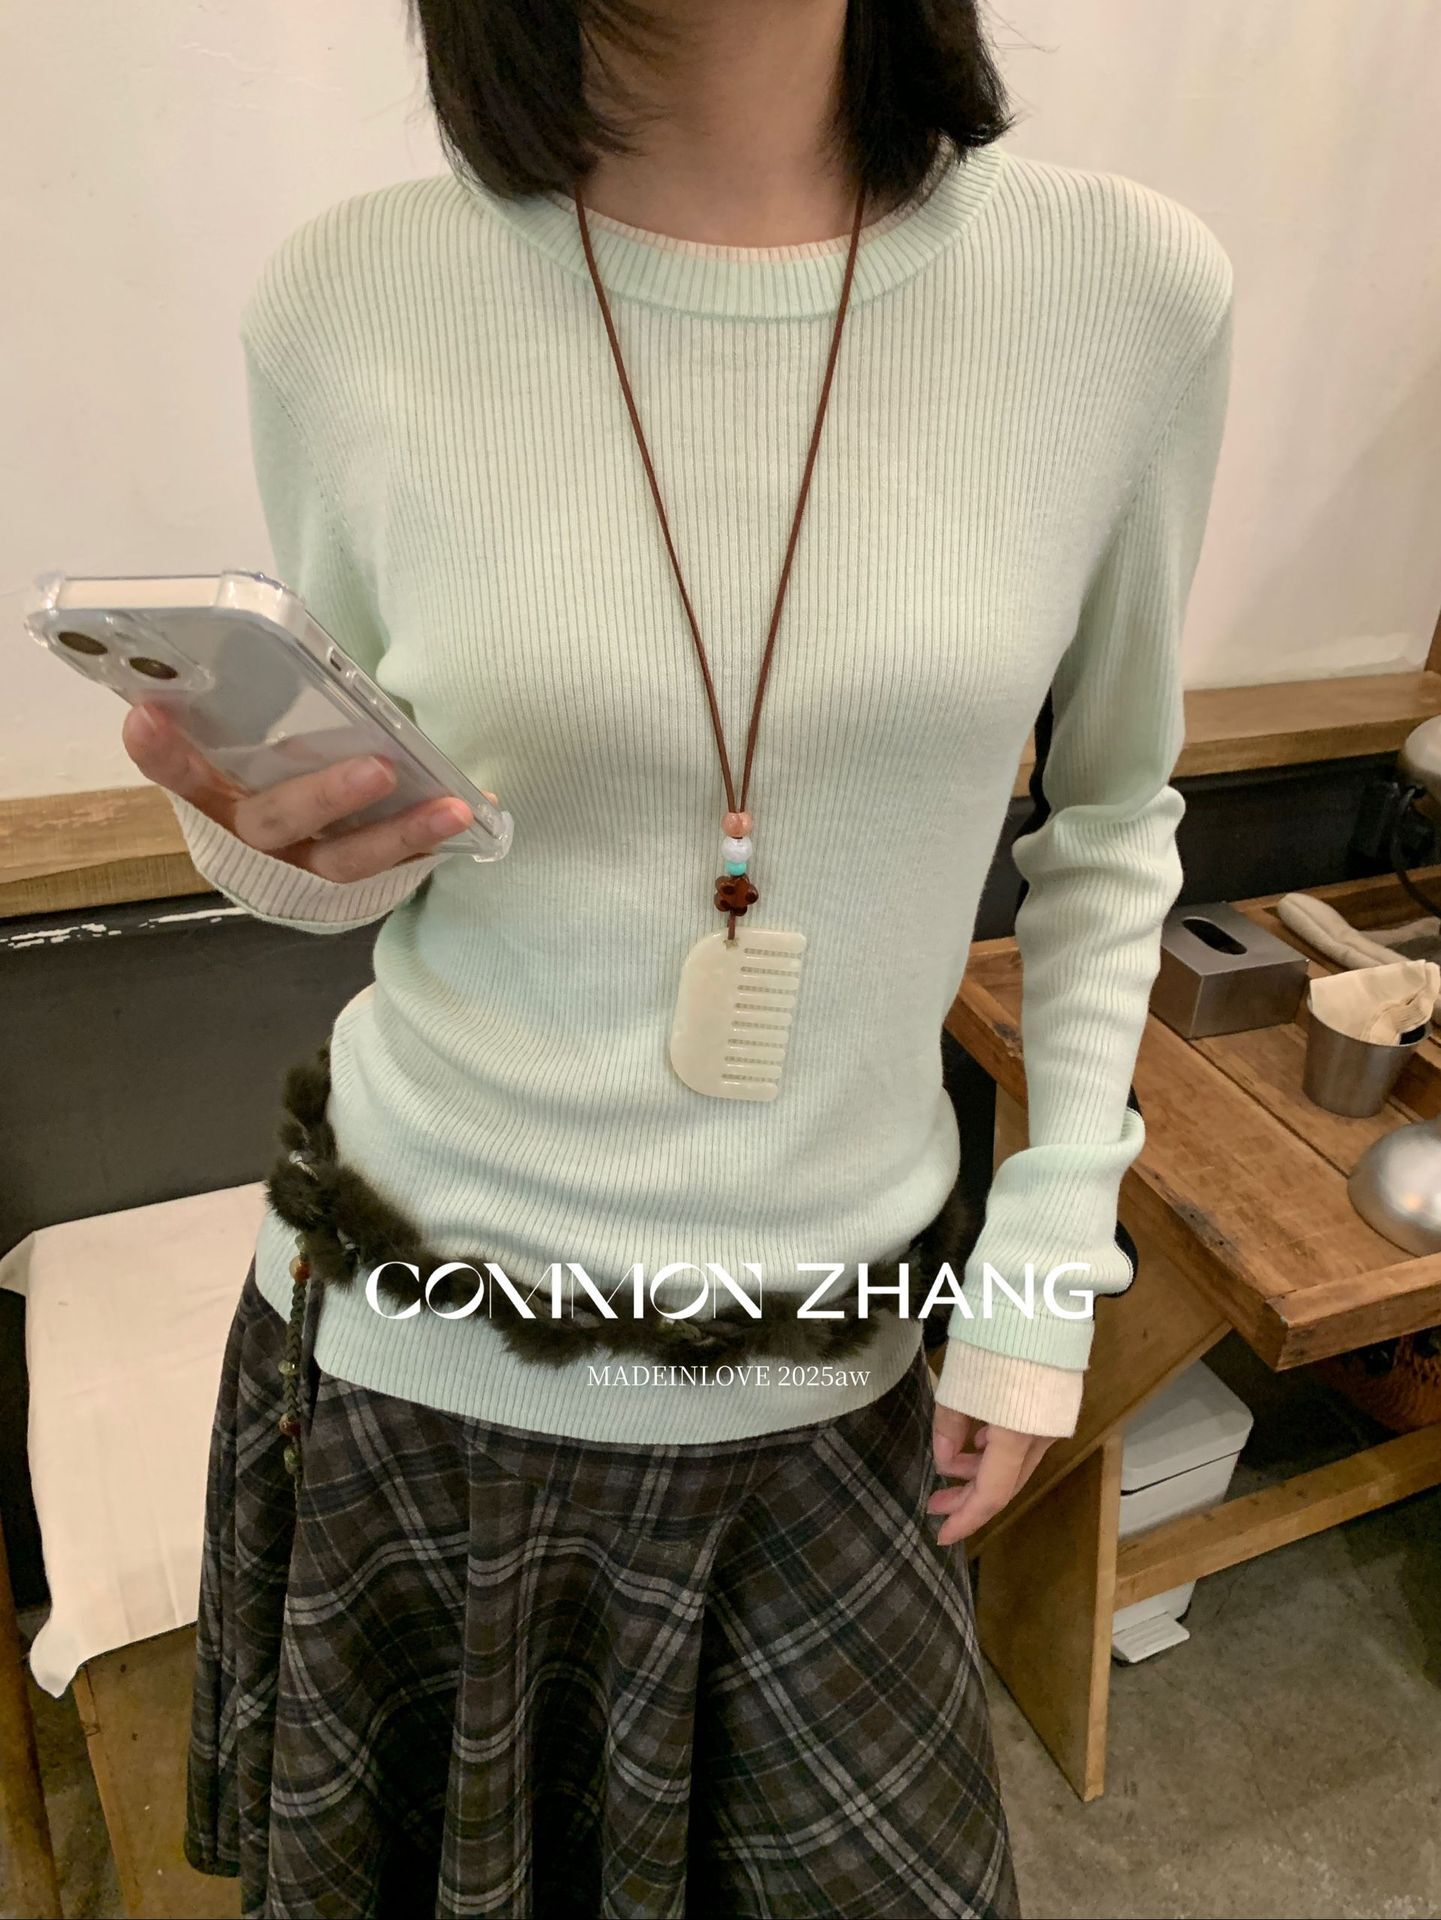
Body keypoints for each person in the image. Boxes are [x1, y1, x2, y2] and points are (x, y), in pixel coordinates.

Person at [124, 1, 1232, 1913]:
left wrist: (1047, 1257)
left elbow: (1113, 814)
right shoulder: (347, 299)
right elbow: (349, 856)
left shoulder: (1125, 293)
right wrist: (257, 839)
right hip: (415, 1337)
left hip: (828, 1355)